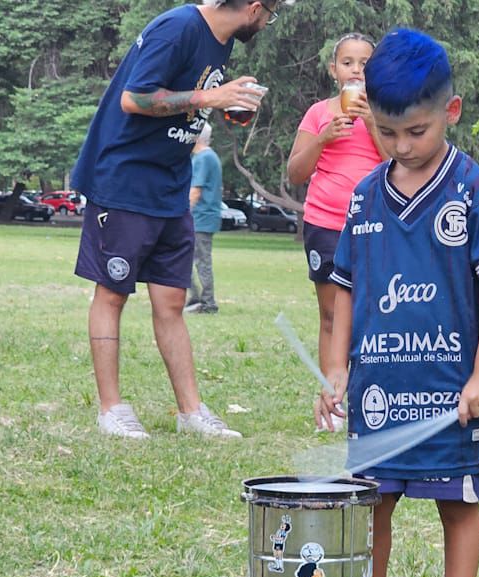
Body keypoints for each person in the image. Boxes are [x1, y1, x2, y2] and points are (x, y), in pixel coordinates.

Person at [314, 28, 479, 577]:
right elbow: (345, 287)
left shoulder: (473, 190)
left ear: (450, 112)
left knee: (458, 503)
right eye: (387, 132)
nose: (402, 146)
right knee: (373, 502)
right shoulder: (364, 197)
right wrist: (335, 369)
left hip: (452, 392)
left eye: (417, 131)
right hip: (381, 389)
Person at [70, 0, 282, 439]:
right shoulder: (179, 27)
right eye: (271, 13)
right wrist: (209, 97)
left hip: (170, 185)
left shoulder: (221, 42)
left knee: (171, 302)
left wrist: (223, 103)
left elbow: (187, 104)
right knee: (112, 294)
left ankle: (191, 412)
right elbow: (134, 98)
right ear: (254, 7)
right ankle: (111, 409)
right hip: (126, 179)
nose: (267, 23)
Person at [287, 33, 388, 429]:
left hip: (374, 226)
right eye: (348, 62)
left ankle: (374, 399)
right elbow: (296, 172)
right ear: (334, 70)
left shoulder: (386, 112)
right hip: (325, 224)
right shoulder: (318, 113)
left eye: (365, 63)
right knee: (331, 316)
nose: (356, 70)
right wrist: (324, 138)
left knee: (373, 316)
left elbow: (400, 165)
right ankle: (331, 402)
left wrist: (372, 123)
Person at [185, 123, 222, 314]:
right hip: (203, 217)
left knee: (201, 260)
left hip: (200, 218)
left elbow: (195, 191)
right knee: (187, 258)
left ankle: (207, 303)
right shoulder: (208, 157)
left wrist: (183, 214)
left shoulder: (203, 158)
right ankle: (195, 297)